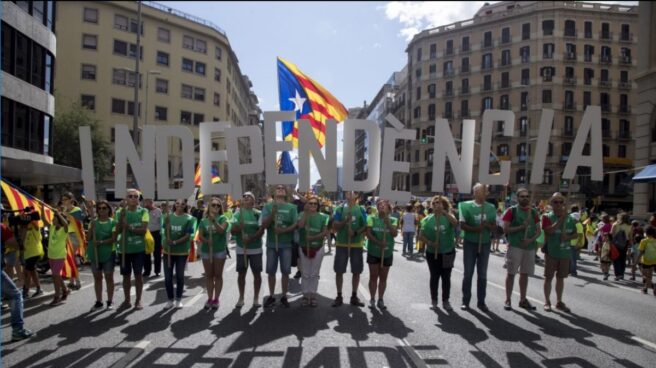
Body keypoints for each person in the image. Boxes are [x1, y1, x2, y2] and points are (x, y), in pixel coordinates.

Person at [458, 183, 497, 311]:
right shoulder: (465, 206)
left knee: (483, 274)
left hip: (485, 243)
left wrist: (488, 226)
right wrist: (476, 229)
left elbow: (494, 227)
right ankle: (466, 301)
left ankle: (481, 301)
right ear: (474, 192)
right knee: (468, 273)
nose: (481, 193)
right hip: (470, 243)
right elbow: (462, 225)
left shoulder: (491, 207)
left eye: (483, 191)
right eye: (479, 191)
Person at [502, 188, 541, 311]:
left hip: (529, 248)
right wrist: (521, 227)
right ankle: (508, 299)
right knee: (511, 273)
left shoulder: (534, 212)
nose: (525, 198)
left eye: (527, 196)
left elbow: (539, 231)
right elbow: (506, 229)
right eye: (522, 196)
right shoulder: (511, 211)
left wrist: (530, 240)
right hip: (515, 246)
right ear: (517, 198)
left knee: (525, 274)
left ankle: (523, 300)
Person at [261, 185, 298, 308]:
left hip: (286, 245)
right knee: (271, 271)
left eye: (283, 188)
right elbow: (264, 225)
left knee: (285, 272)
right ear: (274, 192)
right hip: (272, 244)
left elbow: (295, 225)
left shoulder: (292, 207)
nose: (281, 188)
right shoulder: (267, 207)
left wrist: (283, 231)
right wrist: (272, 213)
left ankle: (283, 296)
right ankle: (271, 296)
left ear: (286, 193)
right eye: (278, 188)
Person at [419, 195, 458, 311]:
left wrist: (445, 213)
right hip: (432, 253)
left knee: (446, 277)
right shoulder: (426, 220)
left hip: (447, 252)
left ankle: (446, 300)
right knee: (434, 277)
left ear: (444, 205)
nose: (436, 205)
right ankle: (434, 300)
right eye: (434, 203)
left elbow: (455, 223)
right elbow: (421, 236)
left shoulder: (449, 217)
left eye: (439, 203)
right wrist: (430, 243)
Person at [542, 193, 578, 312]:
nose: (558, 204)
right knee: (548, 278)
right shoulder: (547, 216)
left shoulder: (570, 218)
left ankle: (559, 301)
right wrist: (560, 220)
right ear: (551, 203)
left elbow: (576, 233)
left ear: (564, 203)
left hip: (564, 253)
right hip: (551, 252)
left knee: (561, 278)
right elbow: (549, 231)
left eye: (560, 202)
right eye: (555, 202)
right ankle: (547, 301)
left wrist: (567, 237)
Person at [331, 190, 367, 307]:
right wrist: (345, 221)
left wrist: (355, 232)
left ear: (357, 195)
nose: (350, 193)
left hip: (356, 245)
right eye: (348, 192)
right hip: (342, 244)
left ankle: (354, 296)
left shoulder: (361, 210)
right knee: (339, 271)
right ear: (345, 195)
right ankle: (339, 295)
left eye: (353, 192)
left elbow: (365, 226)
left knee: (356, 271)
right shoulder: (339, 209)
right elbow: (335, 226)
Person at [115, 189, 149, 310]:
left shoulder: (144, 211)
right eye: (130, 196)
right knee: (126, 276)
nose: (133, 198)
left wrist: (129, 227)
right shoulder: (120, 212)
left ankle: (138, 300)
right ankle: (127, 300)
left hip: (138, 249)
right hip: (124, 249)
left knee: (138, 275)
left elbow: (143, 230)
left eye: (136, 196)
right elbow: (117, 230)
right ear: (126, 199)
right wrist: (121, 220)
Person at [1, 222, 34, 341]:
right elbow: (16, 244)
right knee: (16, 296)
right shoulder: (2, 227)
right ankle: (17, 331)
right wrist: (23, 228)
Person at [231, 192, 264, 308]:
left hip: (255, 249)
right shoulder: (237, 213)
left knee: (257, 274)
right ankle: (241, 297)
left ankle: (256, 298)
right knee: (241, 274)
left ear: (253, 201)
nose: (245, 197)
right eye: (244, 196)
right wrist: (238, 227)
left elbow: (261, 231)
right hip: (241, 248)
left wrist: (251, 238)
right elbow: (232, 231)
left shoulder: (258, 213)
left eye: (249, 196)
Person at [365, 199, 398, 310]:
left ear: (389, 208)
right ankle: (372, 298)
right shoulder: (371, 218)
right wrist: (379, 242)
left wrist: (387, 222)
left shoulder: (393, 220)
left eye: (384, 206)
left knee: (383, 278)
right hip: (373, 252)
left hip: (387, 253)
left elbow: (394, 234)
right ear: (377, 208)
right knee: (373, 276)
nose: (382, 207)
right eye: (380, 205)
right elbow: (368, 234)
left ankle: (381, 299)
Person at [297, 196, 330, 307]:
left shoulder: (324, 217)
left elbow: (324, 232)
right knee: (305, 273)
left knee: (314, 274)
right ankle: (306, 296)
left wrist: (313, 238)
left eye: (315, 204)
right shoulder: (302, 214)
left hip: (318, 248)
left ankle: (313, 295)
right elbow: (300, 225)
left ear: (318, 206)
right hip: (304, 248)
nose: (312, 205)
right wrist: (306, 213)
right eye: (310, 203)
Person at [162, 199, 195, 309]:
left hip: (181, 252)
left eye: (182, 204)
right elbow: (163, 231)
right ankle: (170, 299)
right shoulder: (167, 217)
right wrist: (166, 239)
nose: (180, 205)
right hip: (168, 252)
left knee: (180, 276)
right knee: (168, 277)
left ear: (186, 206)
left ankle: (178, 299)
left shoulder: (190, 219)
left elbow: (189, 235)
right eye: (177, 203)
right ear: (174, 205)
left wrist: (175, 242)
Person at [197, 196, 229, 310]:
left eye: (218, 205)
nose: (216, 207)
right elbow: (200, 235)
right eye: (213, 205)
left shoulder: (223, 218)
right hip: (206, 251)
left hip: (219, 251)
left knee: (218, 275)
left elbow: (221, 231)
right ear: (209, 207)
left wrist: (214, 221)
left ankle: (216, 299)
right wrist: (206, 241)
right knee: (209, 276)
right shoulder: (203, 220)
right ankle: (210, 298)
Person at [87, 200, 118, 310]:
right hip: (95, 253)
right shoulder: (93, 222)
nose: (101, 210)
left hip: (108, 253)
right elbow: (88, 238)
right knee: (97, 277)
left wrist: (100, 242)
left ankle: (110, 301)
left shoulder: (113, 222)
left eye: (104, 208)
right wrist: (91, 227)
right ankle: (99, 302)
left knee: (109, 277)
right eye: (99, 208)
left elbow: (113, 239)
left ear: (109, 209)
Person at [60, 192, 84, 290]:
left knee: (71, 258)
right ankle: (72, 281)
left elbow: (76, 221)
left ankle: (77, 281)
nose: (63, 201)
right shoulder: (64, 210)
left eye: (65, 199)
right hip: (66, 236)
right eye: (63, 199)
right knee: (70, 258)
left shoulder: (77, 209)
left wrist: (65, 213)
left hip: (75, 236)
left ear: (71, 200)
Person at [47, 209, 70, 306]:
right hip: (51, 255)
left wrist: (58, 214)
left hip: (59, 256)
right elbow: (44, 220)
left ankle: (57, 296)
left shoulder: (64, 230)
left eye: (54, 218)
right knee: (56, 275)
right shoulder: (52, 227)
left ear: (59, 220)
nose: (53, 220)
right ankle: (65, 290)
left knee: (55, 275)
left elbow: (66, 224)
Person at [20, 209, 44, 299]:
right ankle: (39, 289)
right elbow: (21, 241)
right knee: (32, 271)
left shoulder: (35, 227)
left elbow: (34, 221)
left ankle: (25, 291)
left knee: (26, 272)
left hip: (35, 253)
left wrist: (29, 216)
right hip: (27, 254)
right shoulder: (24, 228)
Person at [143, 199, 162, 278]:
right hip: (147, 233)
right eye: (145, 202)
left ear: (152, 203)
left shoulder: (158, 211)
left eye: (148, 202)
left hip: (156, 233)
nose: (146, 204)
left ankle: (157, 270)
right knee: (146, 253)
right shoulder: (144, 211)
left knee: (157, 253)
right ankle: (147, 271)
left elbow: (161, 222)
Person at [610, 213, 632, 281]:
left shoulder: (615, 224)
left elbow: (611, 233)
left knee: (616, 258)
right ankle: (622, 274)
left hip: (616, 243)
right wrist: (630, 245)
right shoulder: (630, 226)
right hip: (625, 243)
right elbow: (630, 236)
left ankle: (618, 274)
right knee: (623, 259)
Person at [638, 226, 656, 295]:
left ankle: (653, 285)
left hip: (645, 261)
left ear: (646, 233)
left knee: (644, 274)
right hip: (654, 261)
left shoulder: (644, 241)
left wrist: (636, 262)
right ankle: (645, 288)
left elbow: (641, 252)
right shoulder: (655, 241)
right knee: (649, 275)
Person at [569, 208, 585, 277]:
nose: (571, 219)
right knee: (570, 258)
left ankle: (573, 271)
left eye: (572, 218)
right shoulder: (574, 224)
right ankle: (570, 270)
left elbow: (580, 235)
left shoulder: (578, 225)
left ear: (576, 218)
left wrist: (578, 244)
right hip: (570, 243)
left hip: (574, 244)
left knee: (573, 259)